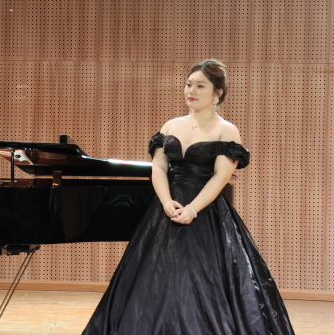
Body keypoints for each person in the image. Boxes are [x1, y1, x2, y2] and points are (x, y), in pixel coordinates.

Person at [82, 60, 295, 334]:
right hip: (166, 210)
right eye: (188, 84)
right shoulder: (171, 126)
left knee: (205, 280)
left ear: (217, 92)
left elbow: (220, 177)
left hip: (206, 212)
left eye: (200, 86)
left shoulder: (226, 130)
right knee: (154, 279)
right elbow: (159, 168)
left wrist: (192, 209)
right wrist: (165, 201)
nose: (190, 91)